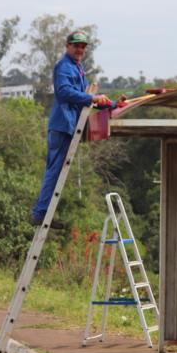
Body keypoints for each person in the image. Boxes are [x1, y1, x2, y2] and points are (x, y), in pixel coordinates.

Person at [30, 30, 110, 229]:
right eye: (76, 45)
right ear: (67, 46)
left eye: (83, 46)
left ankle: (43, 212)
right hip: (62, 125)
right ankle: (40, 213)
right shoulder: (63, 66)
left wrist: (111, 103)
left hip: (70, 125)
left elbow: (83, 98)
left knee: (57, 172)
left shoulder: (78, 67)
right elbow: (65, 92)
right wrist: (92, 98)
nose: (80, 49)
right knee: (54, 170)